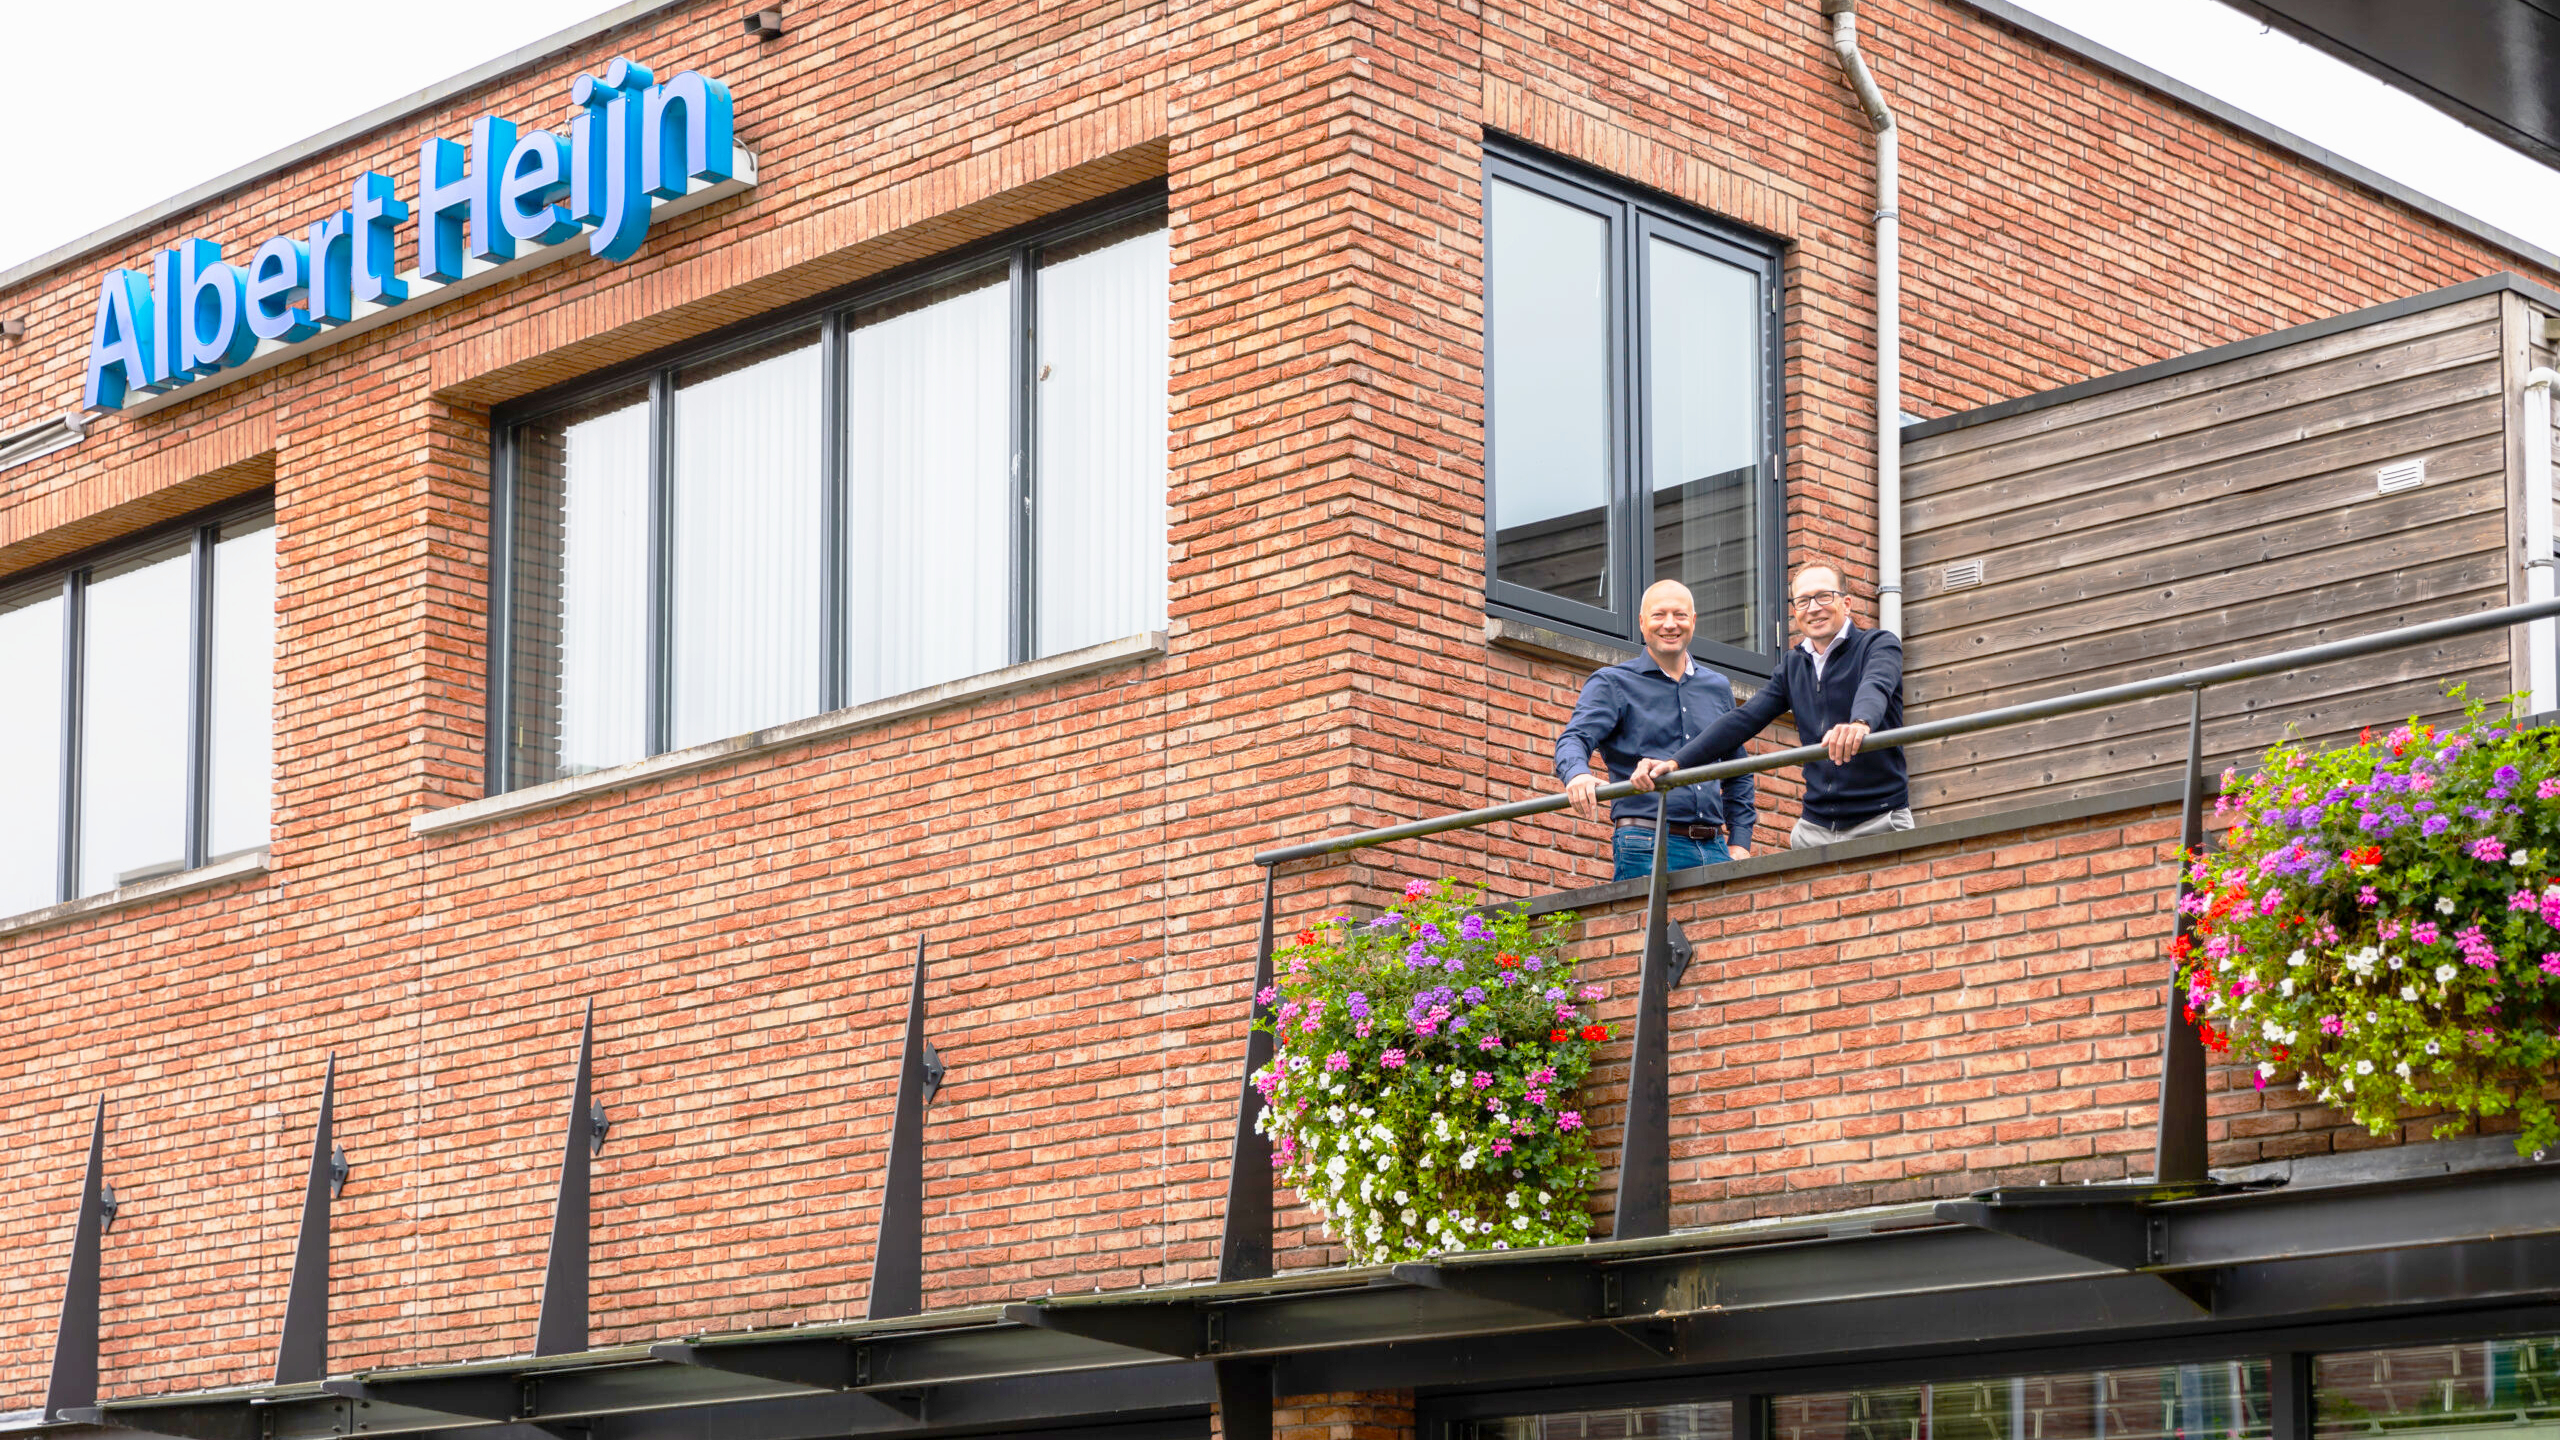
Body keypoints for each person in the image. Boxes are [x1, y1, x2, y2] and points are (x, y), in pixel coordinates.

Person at [1632, 565, 1911, 848]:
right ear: (1795, 610)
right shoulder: (1792, 665)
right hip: (1816, 829)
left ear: (1846, 603)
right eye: (1803, 601)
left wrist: (1859, 723)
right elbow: (1743, 719)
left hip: (1881, 818)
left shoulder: (1878, 645)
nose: (1813, 608)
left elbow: (1876, 685)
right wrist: (1676, 761)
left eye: (1824, 597)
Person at [1554, 579, 1756, 881]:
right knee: (1646, 929)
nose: (1670, 625)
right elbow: (1574, 738)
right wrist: (1577, 773)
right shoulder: (1612, 683)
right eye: (1659, 615)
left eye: (1680, 615)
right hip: (1646, 843)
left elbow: (1738, 770)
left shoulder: (1718, 688)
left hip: (1715, 848)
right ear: (1641, 622)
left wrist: (1739, 840)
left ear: (1694, 621)